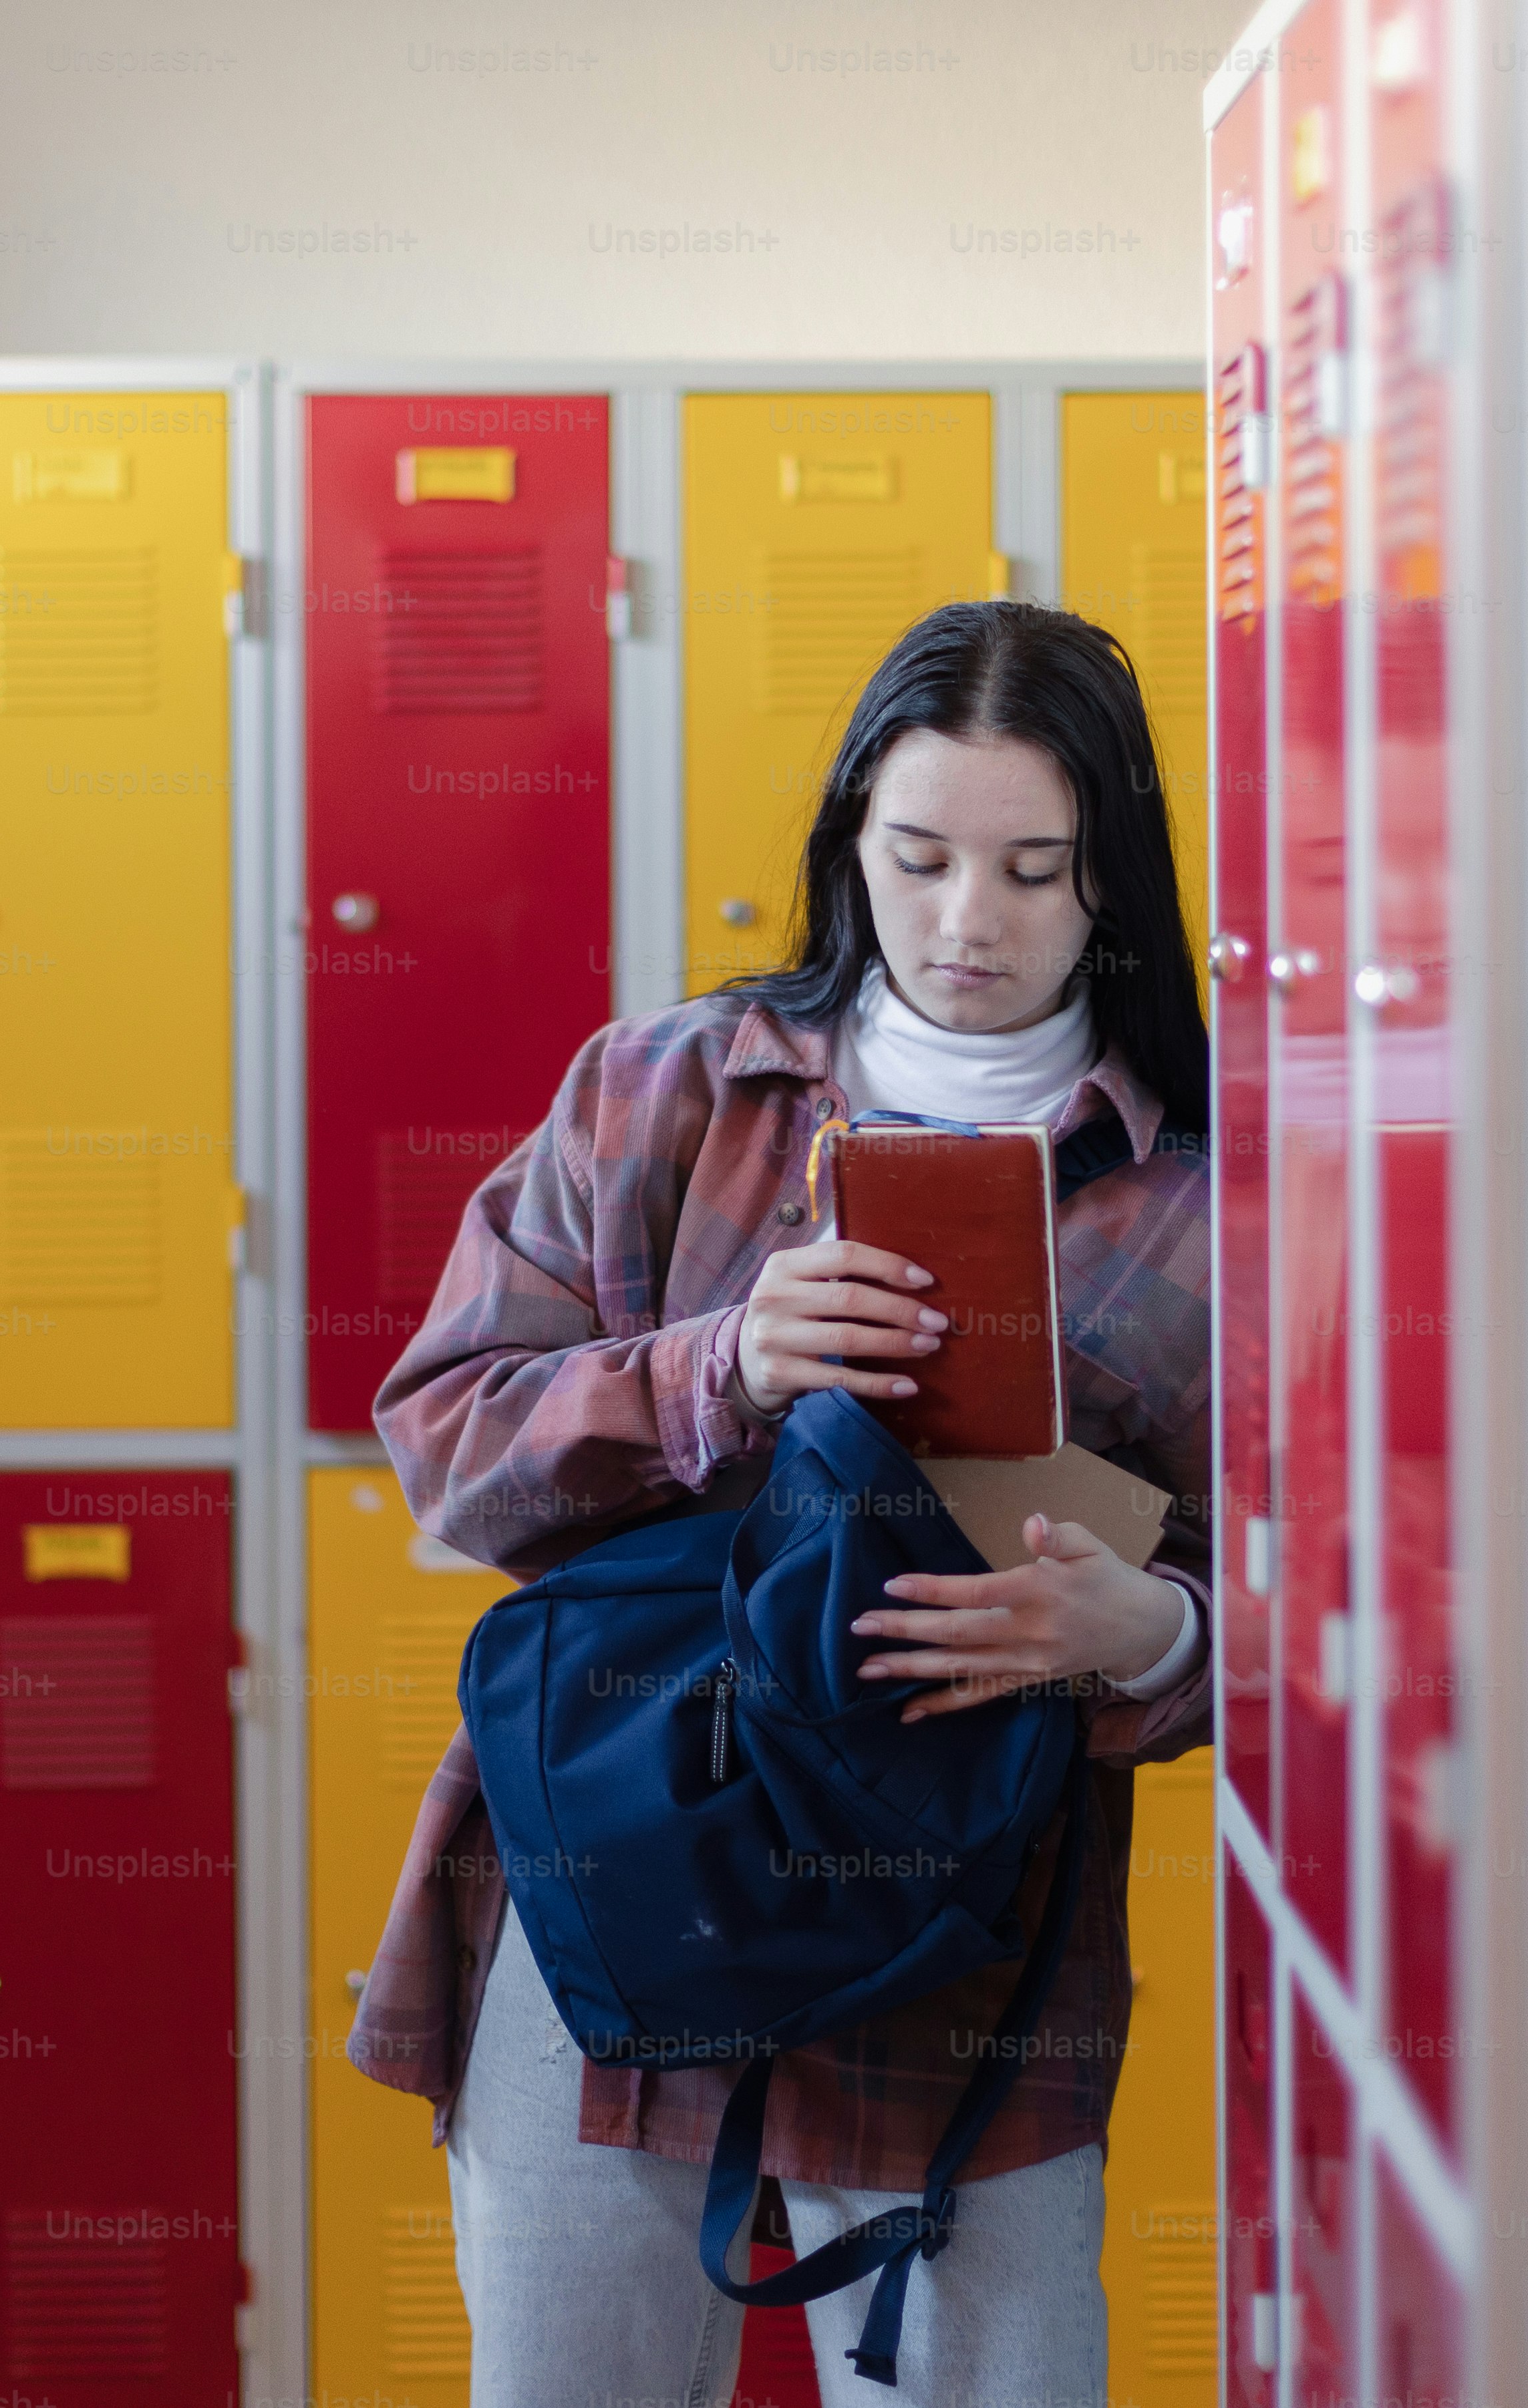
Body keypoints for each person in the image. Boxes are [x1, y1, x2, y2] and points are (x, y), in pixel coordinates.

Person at [345, 599, 1214, 2408]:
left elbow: (1361, 1608)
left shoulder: (1211, 1205)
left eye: (1035, 870)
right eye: (918, 859)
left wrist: (1158, 1631)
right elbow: (443, 1442)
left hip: (965, 1943)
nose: (968, 921)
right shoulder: (671, 1087)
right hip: (613, 1888)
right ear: (851, 854)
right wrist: (719, 1369)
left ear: (1110, 887)